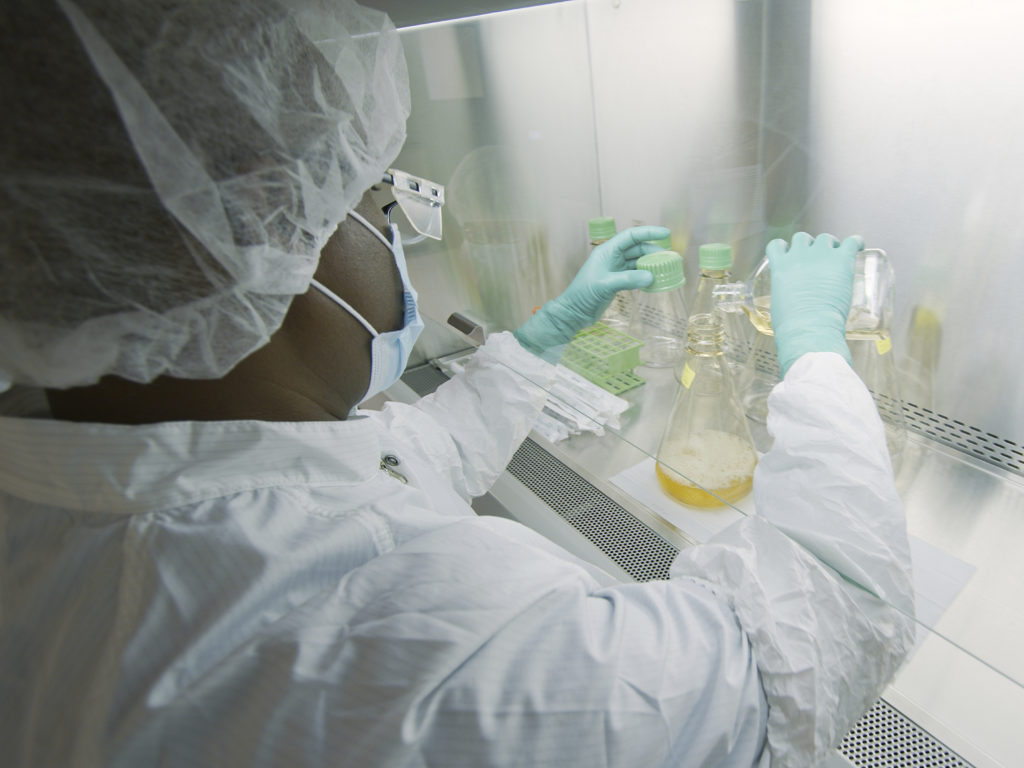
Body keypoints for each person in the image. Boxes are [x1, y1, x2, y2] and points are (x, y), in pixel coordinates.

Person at [0, 2, 914, 767]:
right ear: (256, 236)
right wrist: (815, 347)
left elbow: (404, 459)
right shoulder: (439, 651)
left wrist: (545, 333)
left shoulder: (80, 501)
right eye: (369, 197)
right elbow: (802, 646)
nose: (388, 231)